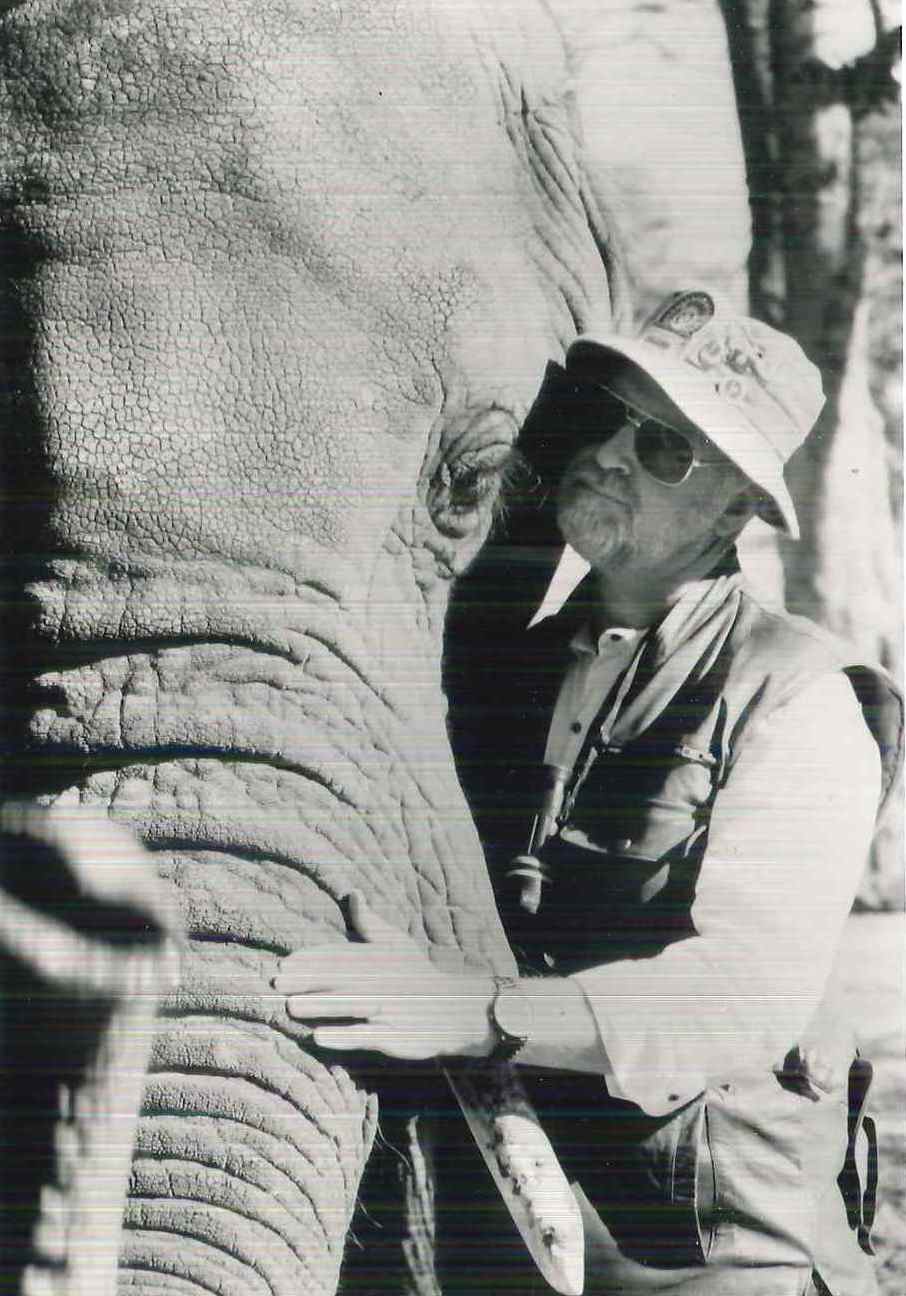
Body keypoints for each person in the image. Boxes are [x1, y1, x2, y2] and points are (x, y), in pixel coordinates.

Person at [274, 290, 902, 1295]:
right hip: (512, 1230)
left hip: (715, 1251)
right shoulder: (501, 671)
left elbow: (743, 993)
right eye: (599, 414)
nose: (607, 451)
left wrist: (476, 1010)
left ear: (737, 505)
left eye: (662, 447)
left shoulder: (799, 699)